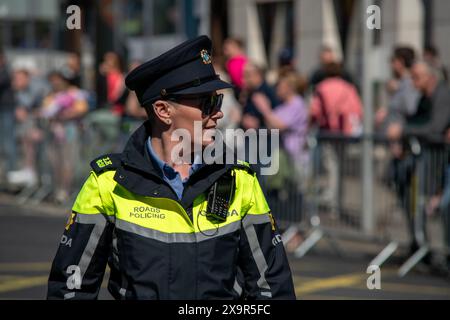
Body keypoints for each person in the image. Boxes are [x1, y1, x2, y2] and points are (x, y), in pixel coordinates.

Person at [47, 36, 296, 300]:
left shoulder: (240, 180)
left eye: (218, 102)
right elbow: (71, 289)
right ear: (163, 111)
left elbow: (272, 288)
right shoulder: (108, 183)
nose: (218, 114)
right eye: (207, 104)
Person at [375, 46, 420, 132]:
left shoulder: (409, 84)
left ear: (401, 62)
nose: (391, 65)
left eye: (393, 60)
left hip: (401, 138)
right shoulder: (401, 83)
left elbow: (411, 109)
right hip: (391, 137)